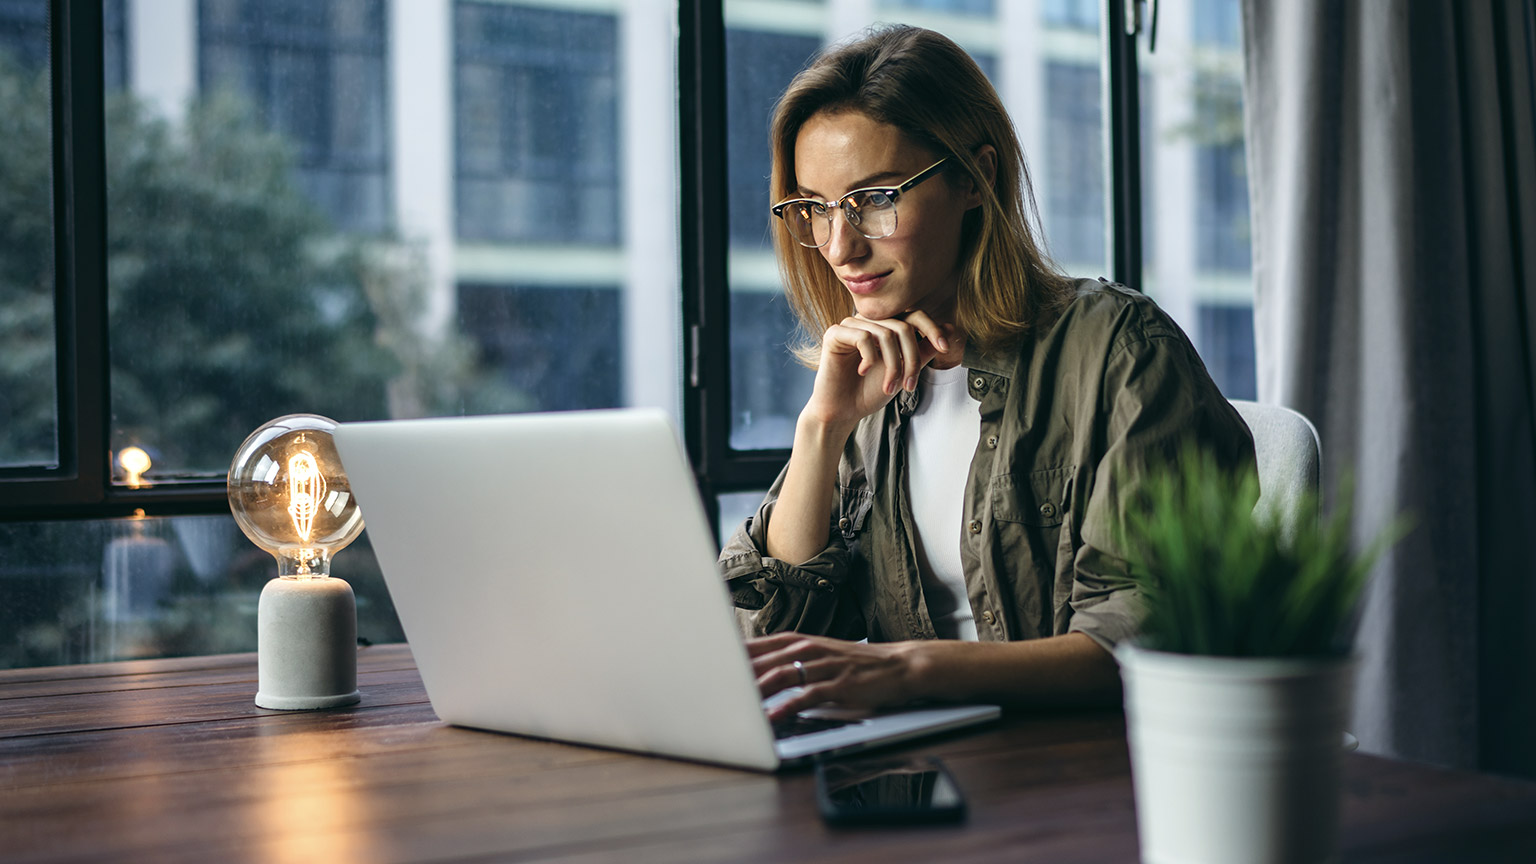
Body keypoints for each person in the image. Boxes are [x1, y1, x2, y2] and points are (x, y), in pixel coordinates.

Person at [718, 24, 1255, 721]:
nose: (839, 246)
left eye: (875, 200)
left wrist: (912, 669)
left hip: (1070, 780)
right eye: (815, 208)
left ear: (976, 178)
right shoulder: (869, 379)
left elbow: (1140, 643)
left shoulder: (1121, 351)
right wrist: (822, 429)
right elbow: (769, 642)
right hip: (910, 776)